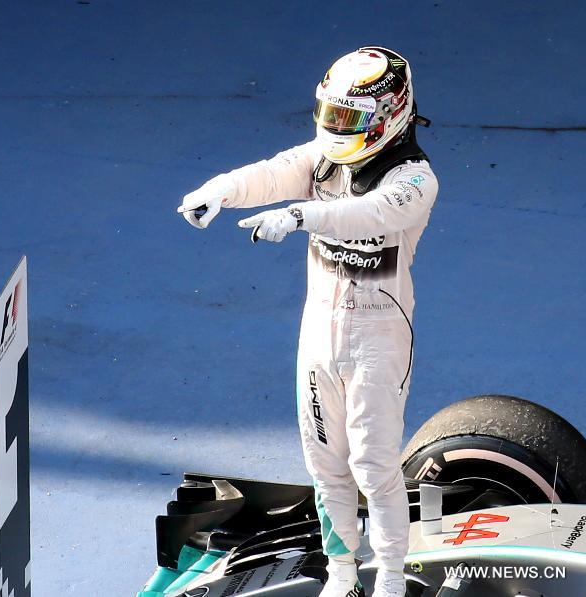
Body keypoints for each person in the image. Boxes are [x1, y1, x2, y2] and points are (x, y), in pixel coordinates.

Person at [177, 47, 438, 597]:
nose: (336, 129)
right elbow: (272, 174)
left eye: (350, 119)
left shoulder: (416, 180)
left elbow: (367, 214)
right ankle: (342, 577)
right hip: (318, 332)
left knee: (374, 466)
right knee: (326, 465)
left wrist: (299, 215)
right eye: (331, 115)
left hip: (378, 336)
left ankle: (391, 577)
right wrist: (219, 191)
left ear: (389, 115)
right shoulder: (322, 158)